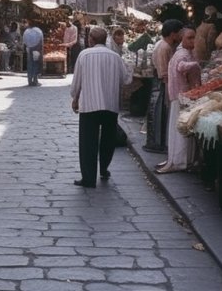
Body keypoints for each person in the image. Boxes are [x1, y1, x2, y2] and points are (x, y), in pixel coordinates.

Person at [70, 25, 132, 187]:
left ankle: (89, 178)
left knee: (88, 141)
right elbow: (126, 80)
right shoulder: (115, 57)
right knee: (107, 139)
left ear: (91, 39)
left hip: (89, 104)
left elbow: (77, 81)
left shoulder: (84, 55)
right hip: (110, 104)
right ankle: (104, 169)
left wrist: (75, 98)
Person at [157, 25, 201, 174]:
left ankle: (178, 159)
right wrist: (197, 65)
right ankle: (179, 161)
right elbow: (182, 67)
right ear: (182, 39)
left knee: (181, 127)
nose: (193, 40)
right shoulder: (182, 54)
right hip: (182, 96)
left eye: (194, 37)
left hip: (181, 95)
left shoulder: (184, 52)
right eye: (190, 37)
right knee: (181, 128)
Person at [145, 18, 185, 152]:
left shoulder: (162, 45)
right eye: (180, 33)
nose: (181, 36)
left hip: (160, 82)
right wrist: (169, 88)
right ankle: (158, 143)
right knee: (160, 113)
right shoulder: (165, 47)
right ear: (173, 34)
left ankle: (157, 142)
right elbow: (163, 71)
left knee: (157, 113)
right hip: (162, 83)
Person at [22, 19, 44, 87]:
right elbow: (41, 41)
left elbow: (24, 41)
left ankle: (29, 81)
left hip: (29, 49)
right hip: (36, 49)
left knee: (30, 65)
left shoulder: (26, 32)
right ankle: (35, 80)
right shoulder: (39, 31)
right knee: (35, 65)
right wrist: (41, 50)